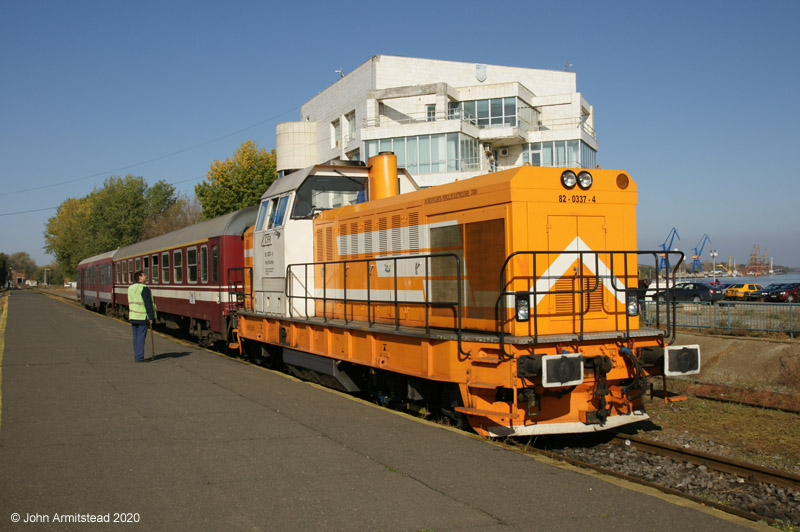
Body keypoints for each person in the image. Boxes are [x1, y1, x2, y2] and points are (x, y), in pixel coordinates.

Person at [128, 270, 156, 362]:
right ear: (140, 277)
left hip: (133, 316)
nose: (146, 276)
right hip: (142, 317)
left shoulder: (130, 288)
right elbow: (148, 304)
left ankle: (137, 356)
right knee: (141, 337)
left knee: (136, 338)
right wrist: (151, 317)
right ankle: (139, 357)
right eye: (144, 275)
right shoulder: (144, 288)